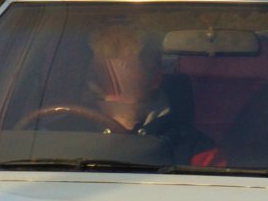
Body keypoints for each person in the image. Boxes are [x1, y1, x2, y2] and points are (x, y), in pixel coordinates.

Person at [87, 24, 213, 162]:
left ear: (155, 79)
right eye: (102, 83)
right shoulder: (67, 130)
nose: (111, 97)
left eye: (127, 85)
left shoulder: (197, 150)